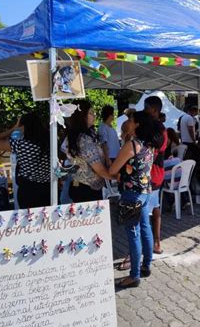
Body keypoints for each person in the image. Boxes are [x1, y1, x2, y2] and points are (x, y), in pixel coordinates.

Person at [110, 111, 163, 289]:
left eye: (131, 120)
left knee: (133, 233)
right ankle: (146, 266)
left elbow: (112, 170)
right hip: (146, 191)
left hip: (131, 194)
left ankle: (134, 276)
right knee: (144, 228)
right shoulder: (150, 145)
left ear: (138, 124)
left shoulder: (132, 145)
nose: (127, 122)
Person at [0, 113, 51, 209]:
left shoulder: (21, 144)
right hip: (48, 188)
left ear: (23, 126)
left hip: (28, 189)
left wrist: (13, 128)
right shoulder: (49, 142)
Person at [67, 100, 111, 202]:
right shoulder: (84, 139)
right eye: (91, 113)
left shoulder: (83, 135)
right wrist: (115, 176)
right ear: (82, 115)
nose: (94, 115)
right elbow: (98, 169)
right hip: (87, 190)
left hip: (83, 186)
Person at [145, 96, 167, 255]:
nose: (144, 110)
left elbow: (150, 154)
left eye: (146, 108)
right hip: (155, 176)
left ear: (154, 110)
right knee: (155, 208)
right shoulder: (157, 128)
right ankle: (156, 242)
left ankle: (146, 247)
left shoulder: (159, 131)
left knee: (145, 213)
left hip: (152, 175)